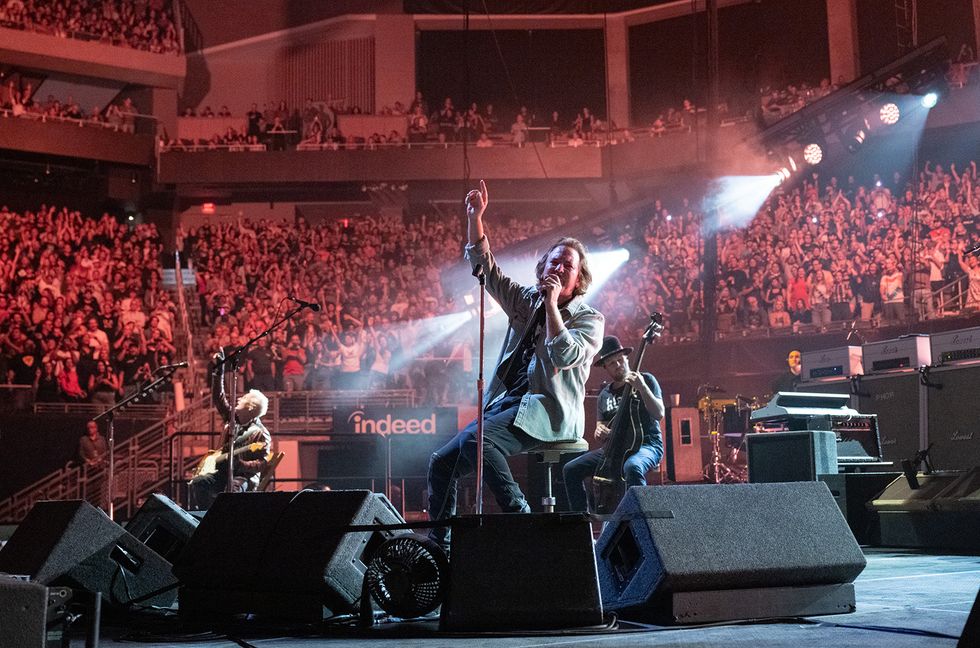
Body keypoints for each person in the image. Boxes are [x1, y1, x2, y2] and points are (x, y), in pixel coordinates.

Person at [427, 180, 604, 550]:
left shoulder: (589, 318)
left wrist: (553, 305)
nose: (558, 266)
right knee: (440, 463)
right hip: (508, 404)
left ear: (579, 279)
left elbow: (564, 355)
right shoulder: (526, 301)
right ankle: (440, 545)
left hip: (547, 410)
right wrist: (476, 217)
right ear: (543, 268)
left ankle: (520, 515)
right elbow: (486, 270)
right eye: (553, 260)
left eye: (567, 265)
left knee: (479, 442)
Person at [562, 336, 664, 513]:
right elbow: (600, 428)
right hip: (614, 450)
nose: (618, 365)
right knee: (570, 469)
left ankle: (641, 520)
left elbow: (659, 413)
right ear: (605, 367)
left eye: (620, 360)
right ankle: (580, 523)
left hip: (647, 445)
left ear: (626, 357)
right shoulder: (604, 395)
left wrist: (642, 388)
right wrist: (599, 431)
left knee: (632, 466)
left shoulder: (646, 380)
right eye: (611, 363)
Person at [188, 349, 272, 510]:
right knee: (199, 482)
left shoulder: (261, 433)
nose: (237, 405)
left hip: (243, 478)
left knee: (231, 492)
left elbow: (263, 462)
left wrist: (242, 465)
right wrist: (218, 373)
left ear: (251, 409)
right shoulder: (233, 418)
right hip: (222, 472)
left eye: (242, 404)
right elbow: (218, 397)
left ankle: (226, 521)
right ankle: (206, 517)